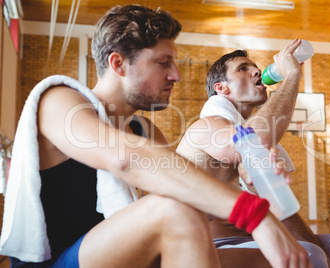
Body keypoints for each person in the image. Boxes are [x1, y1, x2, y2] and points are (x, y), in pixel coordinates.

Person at [0, 4, 312, 268]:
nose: (176, 74)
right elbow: (127, 159)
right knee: (173, 210)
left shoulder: (146, 130)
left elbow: (188, 191)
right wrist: (252, 214)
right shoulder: (60, 101)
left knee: (290, 259)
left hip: (114, 251)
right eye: (164, 62)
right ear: (119, 63)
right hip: (56, 261)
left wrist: (255, 187)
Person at [176, 49, 330, 268]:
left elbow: (277, 207)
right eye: (243, 68)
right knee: (311, 254)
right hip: (212, 243)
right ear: (221, 88)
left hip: (254, 236)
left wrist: (314, 247)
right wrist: (292, 76)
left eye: (255, 66)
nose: (257, 70)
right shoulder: (206, 127)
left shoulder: (248, 134)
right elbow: (253, 139)